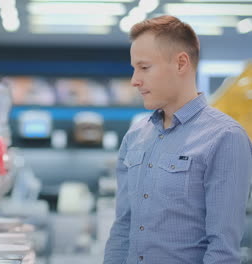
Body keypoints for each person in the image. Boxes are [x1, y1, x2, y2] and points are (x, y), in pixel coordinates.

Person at [103, 15, 252, 264]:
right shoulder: (135, 137)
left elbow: (222, 250)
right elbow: (122, 229)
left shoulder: (225, 137)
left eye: (144, 67)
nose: (134, 80)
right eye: (134, 68)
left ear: (181, 63)